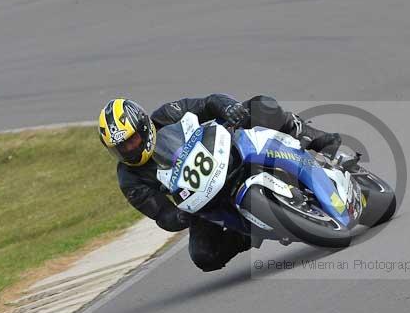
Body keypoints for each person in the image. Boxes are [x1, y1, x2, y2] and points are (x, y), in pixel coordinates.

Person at [98, 94, 341, 272]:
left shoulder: (167, 114)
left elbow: (206, 104)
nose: (128, 149)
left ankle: (312, 137)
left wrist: (229, 108)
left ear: (144, 127)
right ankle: (246, 234)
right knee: (204, 256)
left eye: (132, 141)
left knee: (260, 106)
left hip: (224, 153)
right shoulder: (130, 178)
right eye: (120, 147)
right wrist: (180, 216)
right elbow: (161, 214)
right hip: (200, 202)